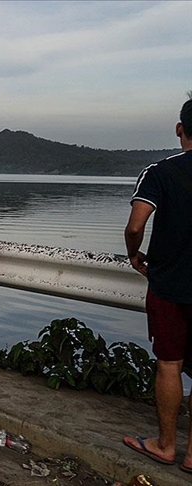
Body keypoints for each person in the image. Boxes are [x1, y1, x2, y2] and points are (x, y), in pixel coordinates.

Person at [122, 99, 192, 474]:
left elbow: (136, 226)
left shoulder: (160, 172)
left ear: (180, 129)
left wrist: (135, 255)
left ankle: (166, 445)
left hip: (169, 283)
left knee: (169, 363)